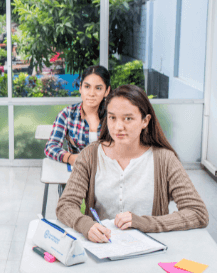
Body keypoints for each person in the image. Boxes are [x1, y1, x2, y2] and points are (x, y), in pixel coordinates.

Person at [56, 85, 209, 243]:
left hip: (150, 251)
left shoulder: (165, 160)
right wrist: (85, 225)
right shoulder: (90, 155)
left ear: (145, 121)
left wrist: (145, 223)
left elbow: (197, 213)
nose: (118, 127)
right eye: (112, 118)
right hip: (102, 247)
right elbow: (65, 205)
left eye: (128, 118)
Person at [45, 65, 111, 166]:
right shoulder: (67, 115)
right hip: (77, 174)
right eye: (87, 87)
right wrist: (70, 158)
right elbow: (51, 147)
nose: (91, 93)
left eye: (98, 88)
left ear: (106, 91)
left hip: (108, 173)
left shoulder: (113, 116)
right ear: (80, 88)